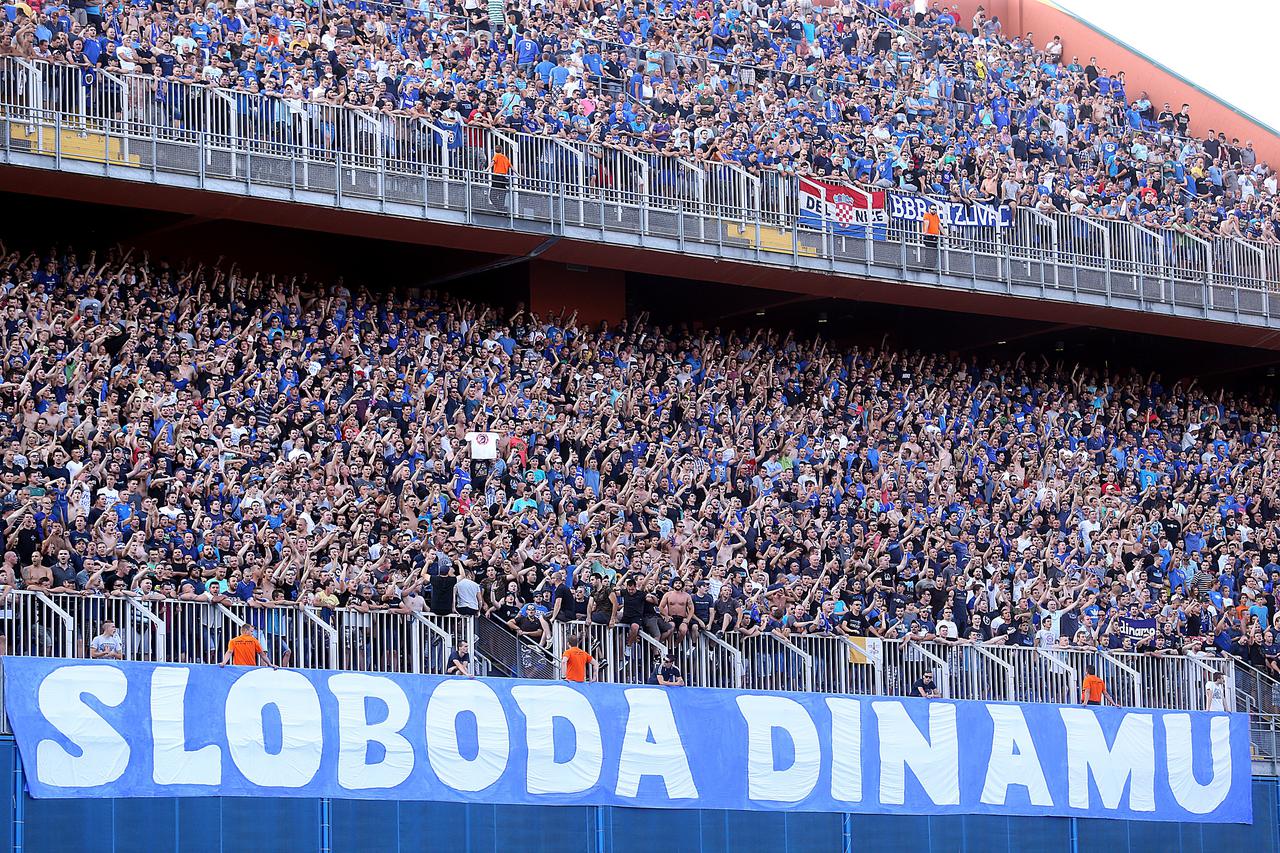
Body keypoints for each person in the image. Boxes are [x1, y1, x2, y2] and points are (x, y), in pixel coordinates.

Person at [489, 146, 513, 210]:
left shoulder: (497, 155)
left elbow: (492, 163)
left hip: (497, 177)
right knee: (501, 196)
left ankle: (501, 209)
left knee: (492, 196)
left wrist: (487, 169)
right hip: (503, 178)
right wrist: (519, 175)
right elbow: (512, 167)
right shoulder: (505, 158)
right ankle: (501, 209)